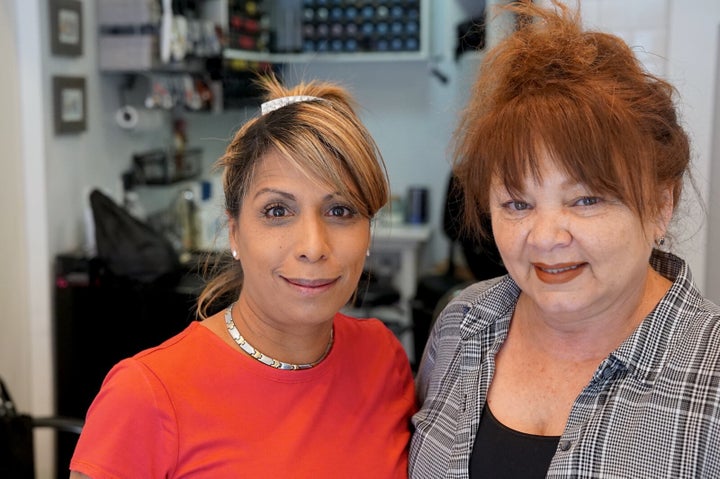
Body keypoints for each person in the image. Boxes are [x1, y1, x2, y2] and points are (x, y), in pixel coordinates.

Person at [409, 1, 720, 478]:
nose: (546, 238)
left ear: (661, 204)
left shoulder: (710, 370)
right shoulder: (462, 325)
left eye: (586, 200)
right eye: (518, 204)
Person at [69, 75, 416, 478]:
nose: (313, 246)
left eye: (340, 211)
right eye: (277, 211)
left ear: (368, 231)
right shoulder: (146, 395)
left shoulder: (383, 359)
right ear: (234, 231)